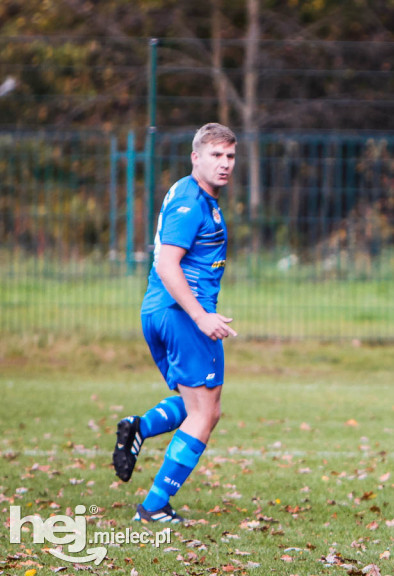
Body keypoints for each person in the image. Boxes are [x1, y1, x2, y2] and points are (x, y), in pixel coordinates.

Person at [112, 123, 238, 523]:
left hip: (162, 312)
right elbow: (168, 265)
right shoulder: (190, 202)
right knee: (205, 412)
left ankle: (138, 427)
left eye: (230, 156)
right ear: (195, 157)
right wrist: (200, 316)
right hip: (182, 314)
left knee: (196, 404)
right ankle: (152, 507)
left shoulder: (193, 193)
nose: (224, 164)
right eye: (216, 155)